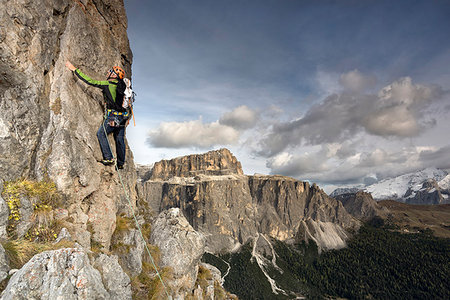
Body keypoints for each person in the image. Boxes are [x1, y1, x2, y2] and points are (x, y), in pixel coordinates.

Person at [65, 60, 128, 169]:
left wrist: (74, 69)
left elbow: (91, 81)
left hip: (113, 116)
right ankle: (121, 163)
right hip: (123, 117)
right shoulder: (123, 86)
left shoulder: (108, 84)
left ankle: (109, 158)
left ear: (114, 75)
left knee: (101, 133)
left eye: (110, 71)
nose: (107, 73)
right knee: (119, 139)